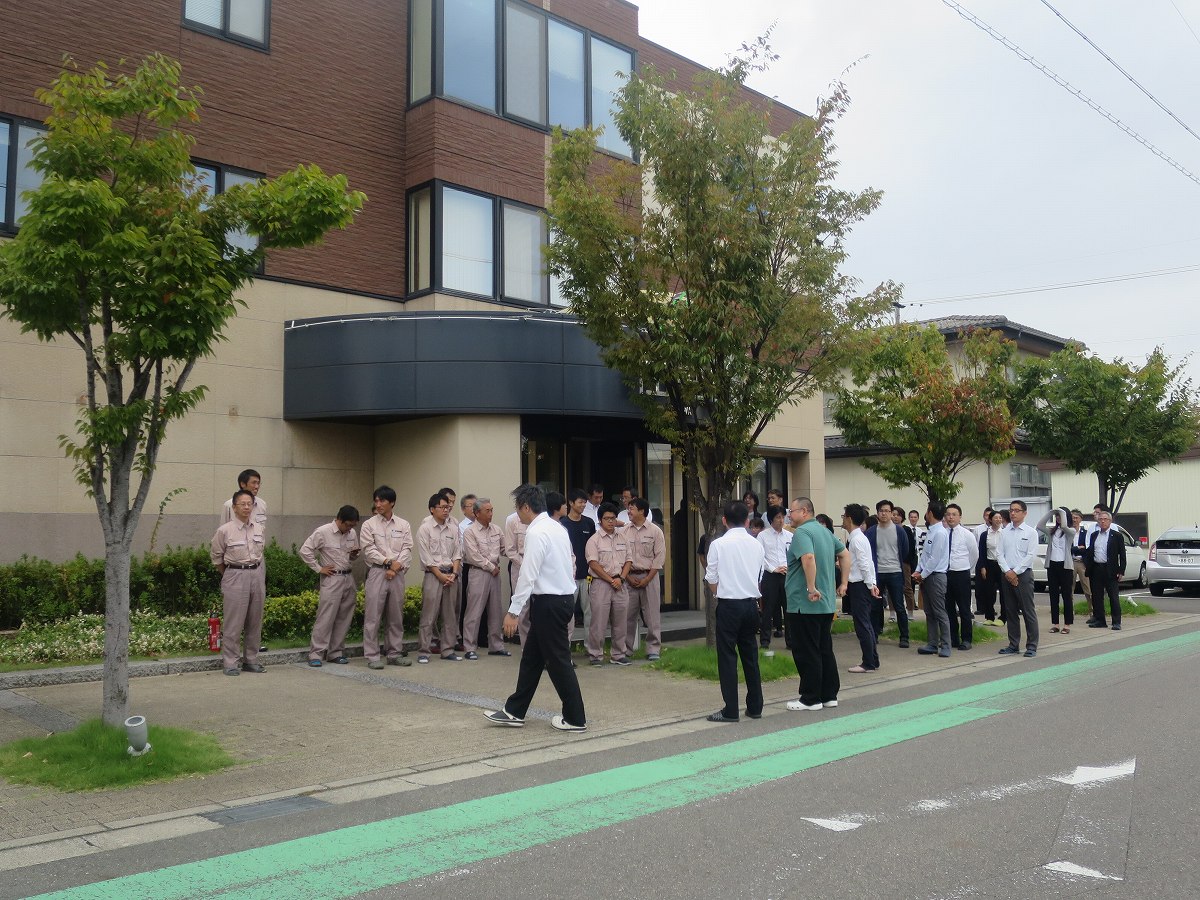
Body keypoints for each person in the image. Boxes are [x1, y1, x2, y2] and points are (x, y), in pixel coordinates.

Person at [484, 484, 587, 732]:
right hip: (560, 599)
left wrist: (513, 612)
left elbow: (528, 574)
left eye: (517, 509)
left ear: (526, 507)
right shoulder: (557, 527)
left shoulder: (536, 532)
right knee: (531, 659)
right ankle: (514, 711)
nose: (517, 515)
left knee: (559, 662)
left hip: (549, 603)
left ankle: (575, 718)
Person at [704, 500, 765, 722]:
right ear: (747, 520)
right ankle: (755, 706)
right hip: (751, 604)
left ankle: (731, 710)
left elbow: (711, 577)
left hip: (729, 604)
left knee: (728, 657)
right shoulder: (757, 544)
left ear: (724, 520)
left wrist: (718, 592)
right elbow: (760, 576)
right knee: (751, 655)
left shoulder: (718, 545)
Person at [785, 497, 848, 711]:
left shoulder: (803, 533)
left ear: (804, 511)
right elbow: (845, 554)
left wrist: (811, 588)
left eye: (791, 511)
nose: (789, 515)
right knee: (824, 649)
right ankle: (829, 694)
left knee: (806, 650)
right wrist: (844, 583)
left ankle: (810, 698)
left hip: (805, 603)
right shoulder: (825, 532)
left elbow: (808, 558)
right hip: (826, 603)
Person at [210, 489, 267, 676]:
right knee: (234, 622)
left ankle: (251, 660)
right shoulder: (224, 530)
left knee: (255, 620)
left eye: (249, 503)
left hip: (256, 574)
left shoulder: (258, 528)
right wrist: (230, 574)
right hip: (235, 574)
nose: (246, 507)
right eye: (242, 504)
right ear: (234, 507)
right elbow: (217, 557)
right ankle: (231, 663)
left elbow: (260, 552)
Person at [359, 485, 413, 669]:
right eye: (376, 500)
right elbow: (368, 550)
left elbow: (407, 549)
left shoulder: (403, 524)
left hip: (397, 574)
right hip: (377, 572)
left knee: (395, 616)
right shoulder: (369, 525)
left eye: (382, 500)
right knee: (373, 615)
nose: (378, 504)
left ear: (392, 503)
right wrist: (389, 563)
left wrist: (395, 567)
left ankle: (394, 653)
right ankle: (373, 655)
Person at [300, 505, 361, 667]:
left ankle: (336, 652)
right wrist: (319, 568)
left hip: (348, 577)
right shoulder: (323, 532)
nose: (350, 529)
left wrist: (354, 554)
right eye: (348, 525)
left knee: (344, 617)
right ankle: (316, 653)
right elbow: (305, 551)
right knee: (326, 617)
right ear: (339, 520)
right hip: (332, 577)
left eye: (353, 526)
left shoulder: (352, 533)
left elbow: (353, 556)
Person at [417, 492, 463, 663]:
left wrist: (454, 573)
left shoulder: (453, 527)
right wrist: (440, 576)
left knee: (450, 615)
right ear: (432, 509)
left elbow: (458, 552)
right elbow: (426, 557)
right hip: (433, 575)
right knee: (429, 615)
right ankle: (424, 650)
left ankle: (448, 649)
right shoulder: (425, 529)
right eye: (442, 507)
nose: (446, 510)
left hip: (451, 574)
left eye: (447, 507)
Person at [585, 502, 632, 666]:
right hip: (601, 584)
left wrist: (621, 578)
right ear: (600, 520)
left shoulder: (623, 538)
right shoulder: (594, 540)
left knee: (620, 621)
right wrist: (611, 579)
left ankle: (618, 654)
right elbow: (593, 564)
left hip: (620, 583)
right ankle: (595, 655)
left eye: (613, 518)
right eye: (607, 518)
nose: (610, 521)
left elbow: (628, 560)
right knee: (598, 622)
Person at [461, 497, 507, 659]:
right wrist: (490, 566)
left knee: (495, 610)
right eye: (487, 511)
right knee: (474, 611)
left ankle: (496, 645)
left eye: (492, 510)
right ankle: (470, 647)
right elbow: (473, 556)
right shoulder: (470, 532)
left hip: (495, 573)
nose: (491, 513)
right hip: (479, 572)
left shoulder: (496, 529)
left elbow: (505, 548)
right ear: (477, 513)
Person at [624, 497, 665, 660]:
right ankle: (625, 649)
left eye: (632, 508)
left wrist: (647, 579)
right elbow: (620, 557)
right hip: (630, 577)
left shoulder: (655, 531)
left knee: (652, 615)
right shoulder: (624, 531)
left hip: (650, 576)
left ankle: (653, 649)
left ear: (642, 511)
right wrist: (626, 576)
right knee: (627, 615)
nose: (629, 511)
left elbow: (659, 557)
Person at [997, 499, 1039, 657]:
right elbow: (999, 554)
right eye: (1011, 510)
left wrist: (1016, 572)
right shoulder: (1004, 531)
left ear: (1024, 513)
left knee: (1028, 611)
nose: (1013, 513)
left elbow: (1030, 556)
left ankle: (1032, 645)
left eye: (1016, 510)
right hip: (1007, 574)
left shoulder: (1030, 532)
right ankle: (1013, 644)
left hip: (1023, 575)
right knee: (1010, 611)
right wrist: (1008, 571)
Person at [866, 499, 910, 648]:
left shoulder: (899, 530)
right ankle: (875, 633)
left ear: (892, 513)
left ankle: (904, 636)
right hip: (878, 573)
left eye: (887, 511)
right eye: (881, 511)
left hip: (895, 572)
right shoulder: (872, 531)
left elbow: (905, 550)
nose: (884, 513)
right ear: (877, 513)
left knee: (898, 605)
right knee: (875, 606)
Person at [843, 504, 881, 673]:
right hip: (863, 583)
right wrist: (872, 583)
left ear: (849, 518)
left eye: (844, 516)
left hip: (860, 585)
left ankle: (868, 662)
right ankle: (873, 659)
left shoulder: (857, 539)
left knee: (862, 624)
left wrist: (870, 584)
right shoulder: (859, 537)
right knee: (865, 623)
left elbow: (865, 564)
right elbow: (867, 563)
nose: (842, 519)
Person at [912, 501, 953, 658]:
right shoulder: (931, 531)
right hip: (927, 575)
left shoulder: (940, 533)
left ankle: (946, 645)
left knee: (939, 611)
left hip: (936, 576)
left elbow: (935, 558)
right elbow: (925, 555)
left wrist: (922, 574)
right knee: (929, 611)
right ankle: (932, 643)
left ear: (930, 513)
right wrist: (918, 570)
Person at [943, 503, 979, 651]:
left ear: (960, 517)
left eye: (954, 514)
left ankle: (966, 639)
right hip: (945, 574)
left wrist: (966, 569)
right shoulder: (942, 533)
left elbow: (974, 555)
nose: (951, 517)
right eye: (948, 514)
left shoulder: (967, 534)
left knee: (964, 608)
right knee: (948, 608)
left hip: (961, 573)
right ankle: (953, 638)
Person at [1086, 506, 1126, 630]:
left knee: (1113, 596)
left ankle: (1116, 622)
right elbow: (1090, 551)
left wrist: (1121, 570)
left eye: (1105, 519)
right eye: (1100, 519)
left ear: (1110, 521)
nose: (1102, 521)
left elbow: (1122, 555)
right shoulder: (1094, 535)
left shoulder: (1117, 536)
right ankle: (1100, 620)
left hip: (1110, 569)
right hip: (1096, 568)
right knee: (1097, 596)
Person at [1038, 506, 1076, 634]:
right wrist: (1051, 512)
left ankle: (1067, 624)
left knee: (1066, 596)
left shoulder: (1070, 531)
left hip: (1065, 567)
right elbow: (1039, 525)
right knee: (1053, 596)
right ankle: (1055, 623)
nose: (1058, 518)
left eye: (1061, 515)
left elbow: (1065, 527)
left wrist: (1062, 512)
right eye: (1057, 516)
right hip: (1052, 565)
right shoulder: (1052, 531)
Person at [563, 489, 597, 632]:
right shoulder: (562, 523)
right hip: (569, 575)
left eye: (585, 502)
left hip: (587, 574)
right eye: (580, 502)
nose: (583, 505)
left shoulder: (589, 523)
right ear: (571, 503)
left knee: (590, 612)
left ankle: (592, 648)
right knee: (567, 614)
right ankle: (565, 648)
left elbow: (595, 546)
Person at [757, 504, 790, 648]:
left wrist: (787, 568)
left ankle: (791, 641)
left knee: (789, 609)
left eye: (783, 517)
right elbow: (759, 556)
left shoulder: (790, 536)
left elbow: (793, 555)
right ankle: (765, 642)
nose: (781, 520)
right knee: (768, 609)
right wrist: (772, 569)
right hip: (770, 576)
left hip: (787, 575)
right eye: (778, 517)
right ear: (771, 519)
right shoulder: (763, 536)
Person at [976, 510, 1007, 625]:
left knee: (1004, 592)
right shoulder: (985, 534)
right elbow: (982, 552)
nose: (998, 520)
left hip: (1002, 565)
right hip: (989, 564)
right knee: (988, 591)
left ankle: (1003, 617)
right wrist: (982, 567)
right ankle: (989, 616)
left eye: (1000, 518)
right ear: (990, 520)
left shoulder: (1005, 533)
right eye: (996, 518)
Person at [456, 493, 478, 650]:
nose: (475, 509)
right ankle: (464, 638)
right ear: (463, 509)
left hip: (484, 569)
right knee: (466, 603)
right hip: (467, 567)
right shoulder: (462, 527)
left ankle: (481, 637)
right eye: (471, 506)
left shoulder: (485, 525)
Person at [1070, 508, 1094, 611]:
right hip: (1070, 562)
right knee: (1070, 588)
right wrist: (1077, 548)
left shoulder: (1085, 533)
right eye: (1072, 518)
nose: (1074, 520)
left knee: (1087, 588)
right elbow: (1066, 548)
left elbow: (1087, 548)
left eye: (1076, 518)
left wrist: (1079, 549)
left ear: (1080, 519)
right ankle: (1070, 611)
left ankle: (1092, 611)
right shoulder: (1067, 532)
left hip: (1082, 562)